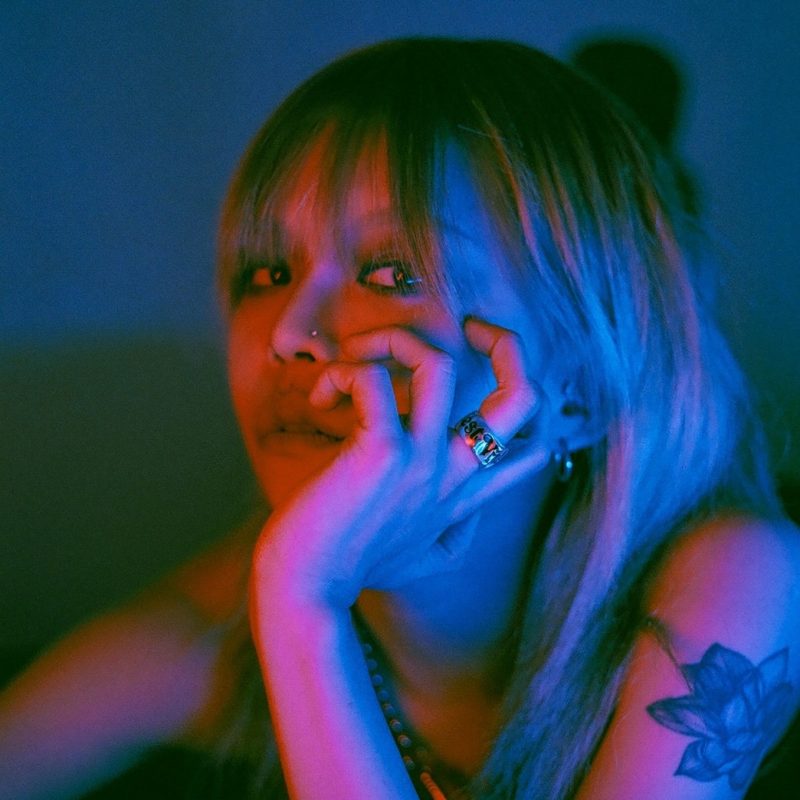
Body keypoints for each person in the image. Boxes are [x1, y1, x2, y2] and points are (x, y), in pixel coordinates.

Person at [2, 37, 799, 800]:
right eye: (267, 272)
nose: (287, 333)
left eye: (391, 272)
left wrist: (304, 606)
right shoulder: (213, 631)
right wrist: (294, 597)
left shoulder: (736, 578)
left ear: (578, 390)